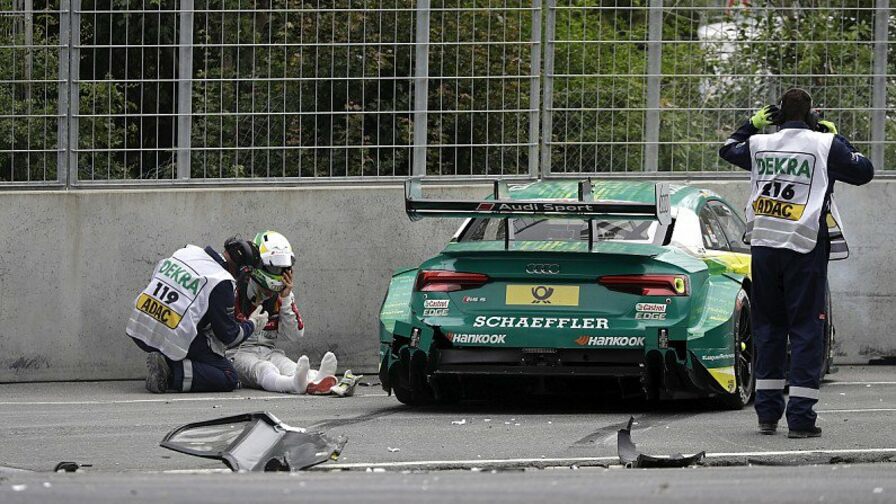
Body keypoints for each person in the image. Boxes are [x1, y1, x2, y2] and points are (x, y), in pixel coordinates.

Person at [719, 88, 874, 438]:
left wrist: (751, 124)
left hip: (764, 246)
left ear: (776, 115)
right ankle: (801, 419)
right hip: (804, 247)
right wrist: (837, 137)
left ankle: (767, 415)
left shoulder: (760, 143)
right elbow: (864, 171)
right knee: (805, 330)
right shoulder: (824, 145)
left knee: (768, 329)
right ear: (811, 115)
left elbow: (727, 148)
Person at [126, 238, 269, 393]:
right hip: (170, 334)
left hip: (139, 326)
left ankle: (165, 358)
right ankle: (170, 373)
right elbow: (229, 336)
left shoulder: (186, 251)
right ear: (243, 269)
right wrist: (252, 324)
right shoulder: (221, 281)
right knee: (228, 376)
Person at [229, 230, 358, 395]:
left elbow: (295, 334)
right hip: (238, 354)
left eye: (283, 268)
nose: (280, 273)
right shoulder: (235, 288)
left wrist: (286, 299)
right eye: (274, 267)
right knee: (265, 368)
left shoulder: (283, 295)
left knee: (292, 367)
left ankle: (319, 380)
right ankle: (293, 385)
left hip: (269, 351)